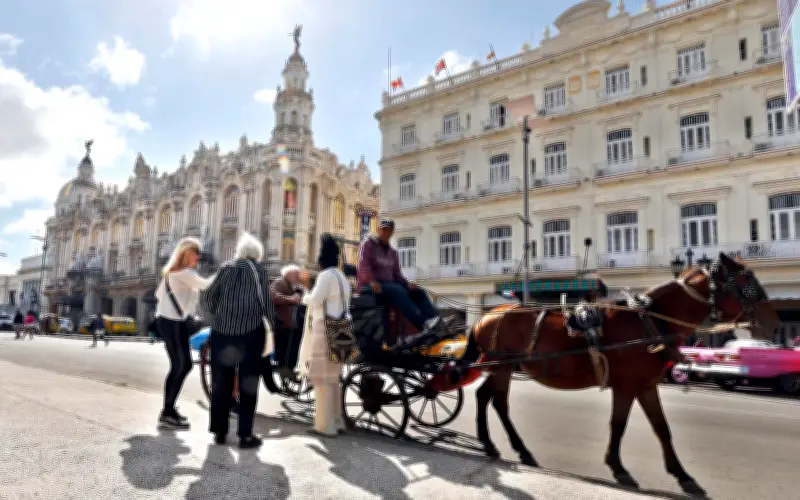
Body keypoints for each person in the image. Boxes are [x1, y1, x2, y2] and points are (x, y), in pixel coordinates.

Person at [200, 232, 276, 449]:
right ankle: (245, 435)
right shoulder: (260, 271)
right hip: (250, 334)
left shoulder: (225, 268)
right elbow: (266, 303)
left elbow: (207, 296)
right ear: (256, 254)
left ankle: (220, 432)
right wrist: (273, 326)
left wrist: (215, 318)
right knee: (248, 384)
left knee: (221, 382)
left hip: (222, 333)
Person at [154, 237, 214, 430]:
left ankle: (169, 409)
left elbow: (158, 295)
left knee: (180, 365)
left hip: (168, 322)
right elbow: (207, 285)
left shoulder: (171, 273)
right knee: (182, 365)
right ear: (186, 253)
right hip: (173, 323)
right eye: (195, 252)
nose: (198, 257)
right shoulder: (185, 273)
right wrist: (226, 271)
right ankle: (167, 412)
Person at [356, 218, 441, 344]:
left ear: (392, 232)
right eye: (383, 229)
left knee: (418, 291)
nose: (386, 232)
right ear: (378, 230)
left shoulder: (393, 253)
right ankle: (422, 323)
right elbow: (363, 266)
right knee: (398, 290)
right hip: (369, 286)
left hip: (388, 287)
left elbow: (398, 276)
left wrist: (407, 284)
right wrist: (371, 281)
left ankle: (435, 321)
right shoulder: (368, 244)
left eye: (389, 230)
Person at [297, 233, 348, 437]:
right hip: (343, 327)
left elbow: (316, 299)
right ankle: (337, 420)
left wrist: (304, 296)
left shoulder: (326, 276)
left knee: (322, 380)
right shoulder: (342, 277)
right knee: (334, 379)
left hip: (325, 328)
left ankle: (324, 425)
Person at [270, 264, 307, 380]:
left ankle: (289, 369)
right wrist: (291, 299)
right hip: (282, 322)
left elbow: (306, 294)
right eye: (296, 275)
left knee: (295, 346)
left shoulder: (295, 285)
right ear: (288, 274)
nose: (298, 277)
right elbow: (273, 296)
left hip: (294, 323)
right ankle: (285, 370)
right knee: (285, 348)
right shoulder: (279, 282)